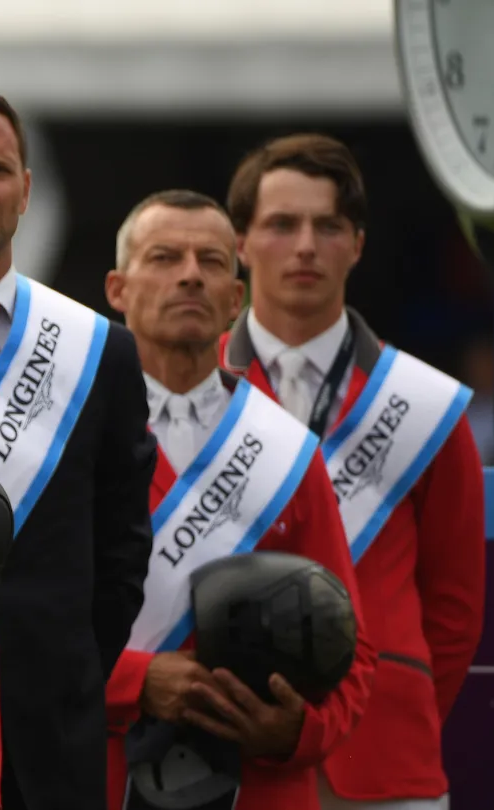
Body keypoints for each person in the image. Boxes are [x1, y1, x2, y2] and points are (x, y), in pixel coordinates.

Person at [0, 84, 157, 810]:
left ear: (26, 189)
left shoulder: (101, 351)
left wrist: (70, 669)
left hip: (55, 733)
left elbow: (122, 549)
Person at [219, 133, 486, 810]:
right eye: (281, 224)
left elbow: (454, 614)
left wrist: (394, 700)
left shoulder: (424, 404)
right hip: (223, 761)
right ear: (241, 244)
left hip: (385, 763)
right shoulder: (184, 386)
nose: (305, 245)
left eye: (327, 225)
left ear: (358, 244)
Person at [101, 189, 377, 810]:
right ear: (117, 290)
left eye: (212, 261)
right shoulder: (69, 439)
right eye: (166, 257)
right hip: (98, 773)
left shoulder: (286, 451)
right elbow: (22, 625)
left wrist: (297, 732)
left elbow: (354, 648)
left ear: (235, 299)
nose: (190, 275)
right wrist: (136, 681)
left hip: (262, 787)